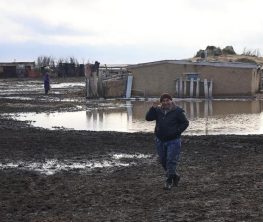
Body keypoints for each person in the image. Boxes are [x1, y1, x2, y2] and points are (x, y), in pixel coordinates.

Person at [146, 93, 189, 190]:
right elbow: (148, 118)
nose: (166, 102)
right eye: (163, 101)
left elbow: (185, 123)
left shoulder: (178, 111)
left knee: (171, 161)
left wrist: (177, 132)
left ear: (171, 100)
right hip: (160, 140)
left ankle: (168, 181)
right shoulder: (157, 111)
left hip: (174, 141)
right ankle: (175, 176)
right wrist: (152, 107)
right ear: (161, 102)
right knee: (163, 160)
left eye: (167, 100)